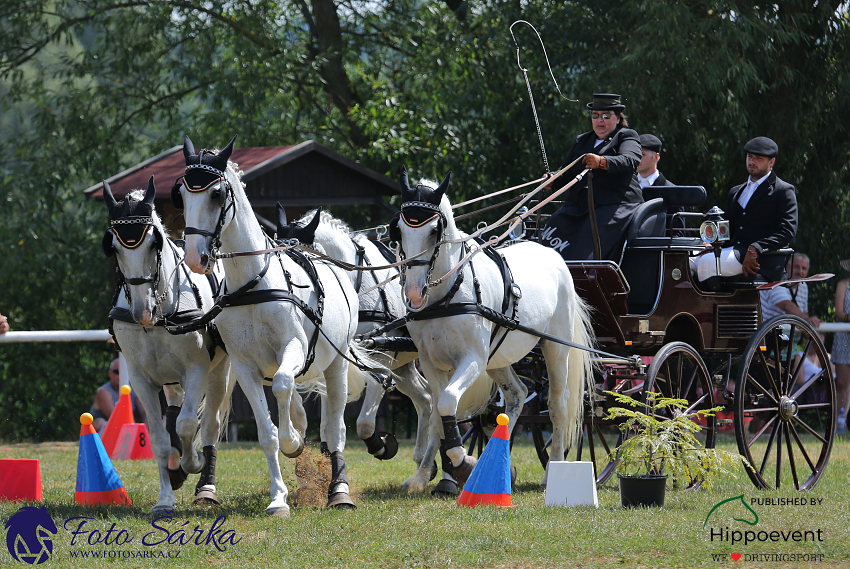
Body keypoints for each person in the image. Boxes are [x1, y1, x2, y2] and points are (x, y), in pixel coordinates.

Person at [540, 93, 643, 261]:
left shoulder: (626, 136)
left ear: (617, 118)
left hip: (615, 205)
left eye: (605, 116)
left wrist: (602, 162)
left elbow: (629, 160)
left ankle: (583, 276)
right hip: (580, 205)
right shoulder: (582, 140)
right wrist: (552, 180)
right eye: (595, 116)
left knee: (587, 238)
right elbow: (567, 172)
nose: (599, 120)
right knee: (555, 224)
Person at [692, 136, 797, 284]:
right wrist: (711, 243)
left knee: (707, 263)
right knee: (688, 261)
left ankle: (708, 307)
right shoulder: (736, 191)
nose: (752, 162)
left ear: (771, 162)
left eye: (758, 158)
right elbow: (728, 230)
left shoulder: (783, 191)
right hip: (734, 251)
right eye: (749, 157)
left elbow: (787, 232)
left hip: (761, 260)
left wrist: (757, 247)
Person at [760, 253, 822, 327]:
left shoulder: (803, 286)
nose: (800, 271)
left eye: (804, 268)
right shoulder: (777, 280)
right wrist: (807, 320)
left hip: (789, 333)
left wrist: (813, 327)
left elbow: (804, 312)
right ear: (787, 268)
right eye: (796, 267)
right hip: (768, 332)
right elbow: (785, 305)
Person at [90, 358, 146, 432]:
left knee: (161, 419)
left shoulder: (135, 390)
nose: (121, 375)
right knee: (100, 423)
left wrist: (147, 430)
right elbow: (115, 418)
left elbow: (145, 413)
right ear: (110, 373)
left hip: (129, 430)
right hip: (108, 432)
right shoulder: (103, 392)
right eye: (117, 372)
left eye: (125, 371)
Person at [830, 265, 850, 435]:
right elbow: (839, 312)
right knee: (842, 382)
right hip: (845, 336)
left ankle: (845, 419)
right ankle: (838, 421)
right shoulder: (844, 284)